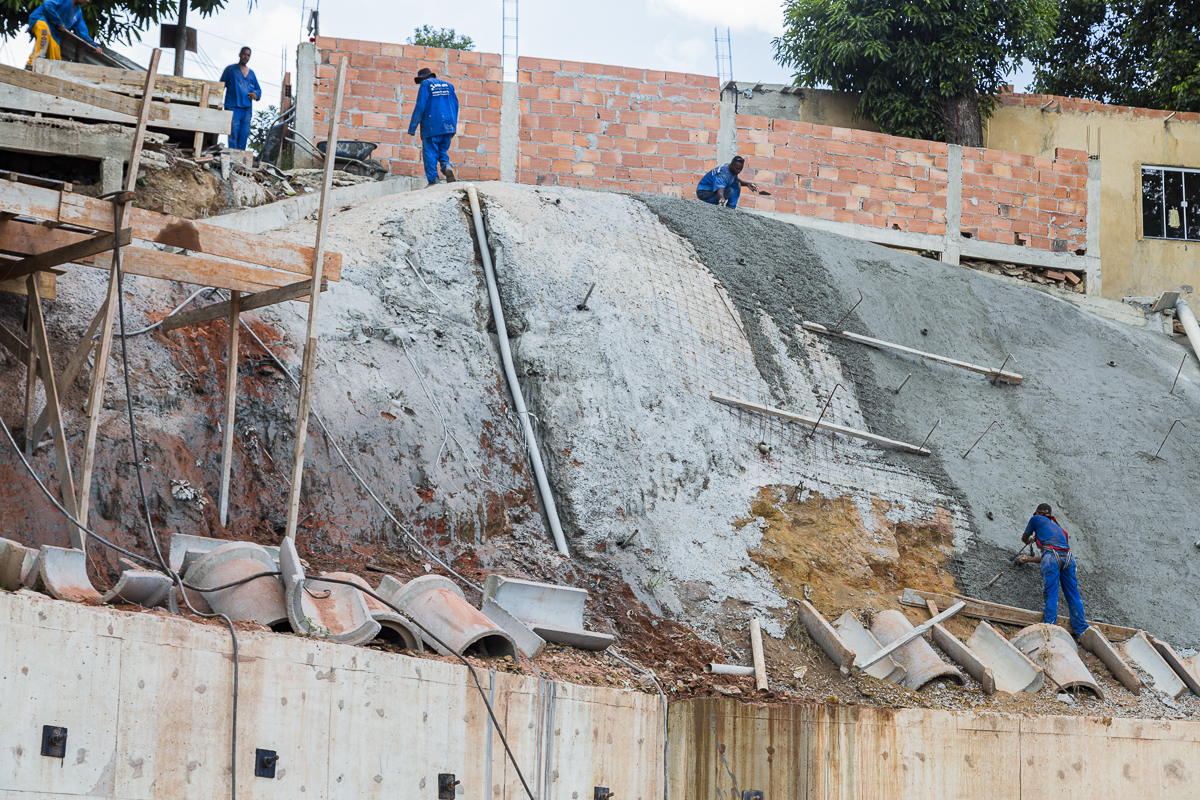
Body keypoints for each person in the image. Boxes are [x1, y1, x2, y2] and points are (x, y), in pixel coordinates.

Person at [1020, 503, 1089, 638]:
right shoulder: (1062, 530)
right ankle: (1082, 631)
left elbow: (1025, 540)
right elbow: (1054, 555)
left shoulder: (1036, 519)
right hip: (1068, 559)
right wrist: (1028, 559)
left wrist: (1031, 539)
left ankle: (1049, 628)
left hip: (1052, 557)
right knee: (1073, 594)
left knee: (1051, 593)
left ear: (1038, 512)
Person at [406, 67, 459, 187]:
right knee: (442, 150)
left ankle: (433, 180)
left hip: (432, 124)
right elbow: (456, 106)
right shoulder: (449, 85)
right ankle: (446, 166)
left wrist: (412, 127)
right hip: (449, 125)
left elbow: (420, 106)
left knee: (430, 152)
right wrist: (453, 126)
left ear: (423, 78)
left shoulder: (426, 84)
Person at [25, 0, 103, 67]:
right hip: (41, 19)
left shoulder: (78, 13)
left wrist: (94, 46)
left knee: (56, 60)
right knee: (44, 34)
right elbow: (48, 4)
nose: (88, 1)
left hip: (54, 32)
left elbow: (82, 32)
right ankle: (31, 64)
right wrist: (58, 22)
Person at [220, 47, 261, 151]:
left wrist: (256, 94)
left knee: (244, 133)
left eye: (248, 55)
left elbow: (258, 89)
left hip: (247, 108)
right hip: (233, 106)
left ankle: (241, 156)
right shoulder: (230, 70)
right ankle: (233, 156)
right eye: (244, 54)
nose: (245, 57)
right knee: (233, 132)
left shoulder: (251, 74)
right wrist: (218, 103)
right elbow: (220, 86)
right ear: (239, 54)